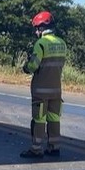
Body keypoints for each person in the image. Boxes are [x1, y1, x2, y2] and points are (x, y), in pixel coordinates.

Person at [20, 11, 67, 158]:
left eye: (36, 29)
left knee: (39, 119)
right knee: (54, 118)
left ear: (41, 28)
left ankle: (36, 149)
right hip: (56, 90)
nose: (36, 32)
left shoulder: (41, 44)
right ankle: (54, 147)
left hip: (41, 90)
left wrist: (25, 67)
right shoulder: (62, 43)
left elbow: (33, 65)